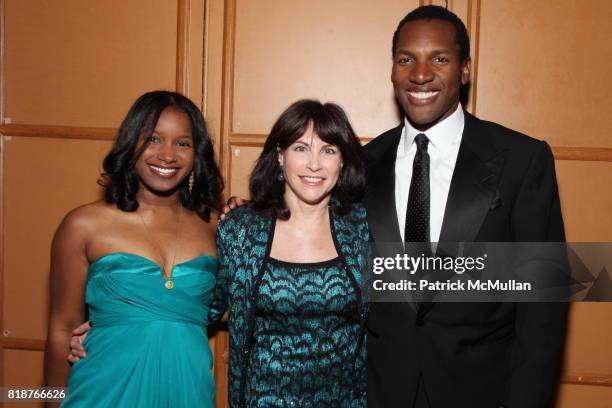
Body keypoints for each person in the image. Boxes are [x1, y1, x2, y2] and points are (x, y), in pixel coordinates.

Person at [364, 5, 567, 408]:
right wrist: (253, 219)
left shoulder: (522, 160)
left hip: (483, 394)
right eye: (407, 59)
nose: (420, 74)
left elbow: (543, 309)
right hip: (380, 394)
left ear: (465, 70)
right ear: (392, 69)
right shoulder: (362, 164)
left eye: (439, 58)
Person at [44, 90, 224, 407]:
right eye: (153, 140)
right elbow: (62, 330)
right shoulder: (84, 224)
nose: (167, 155)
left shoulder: (216, 226)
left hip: (188, 392)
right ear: (131, 145)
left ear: (198, 154)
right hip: (101, 391)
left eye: (183, 143)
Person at [209, 99, 370, 407]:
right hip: (262, 399)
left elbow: (419, 292)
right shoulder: (241, 229)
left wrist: (492, 281)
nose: (314, 164)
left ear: (343, 162)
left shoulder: (363, 227)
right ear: (280, 155)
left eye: (328, 150)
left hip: (346, 400)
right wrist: (118, 318)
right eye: (300, 148)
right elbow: (202, 305)